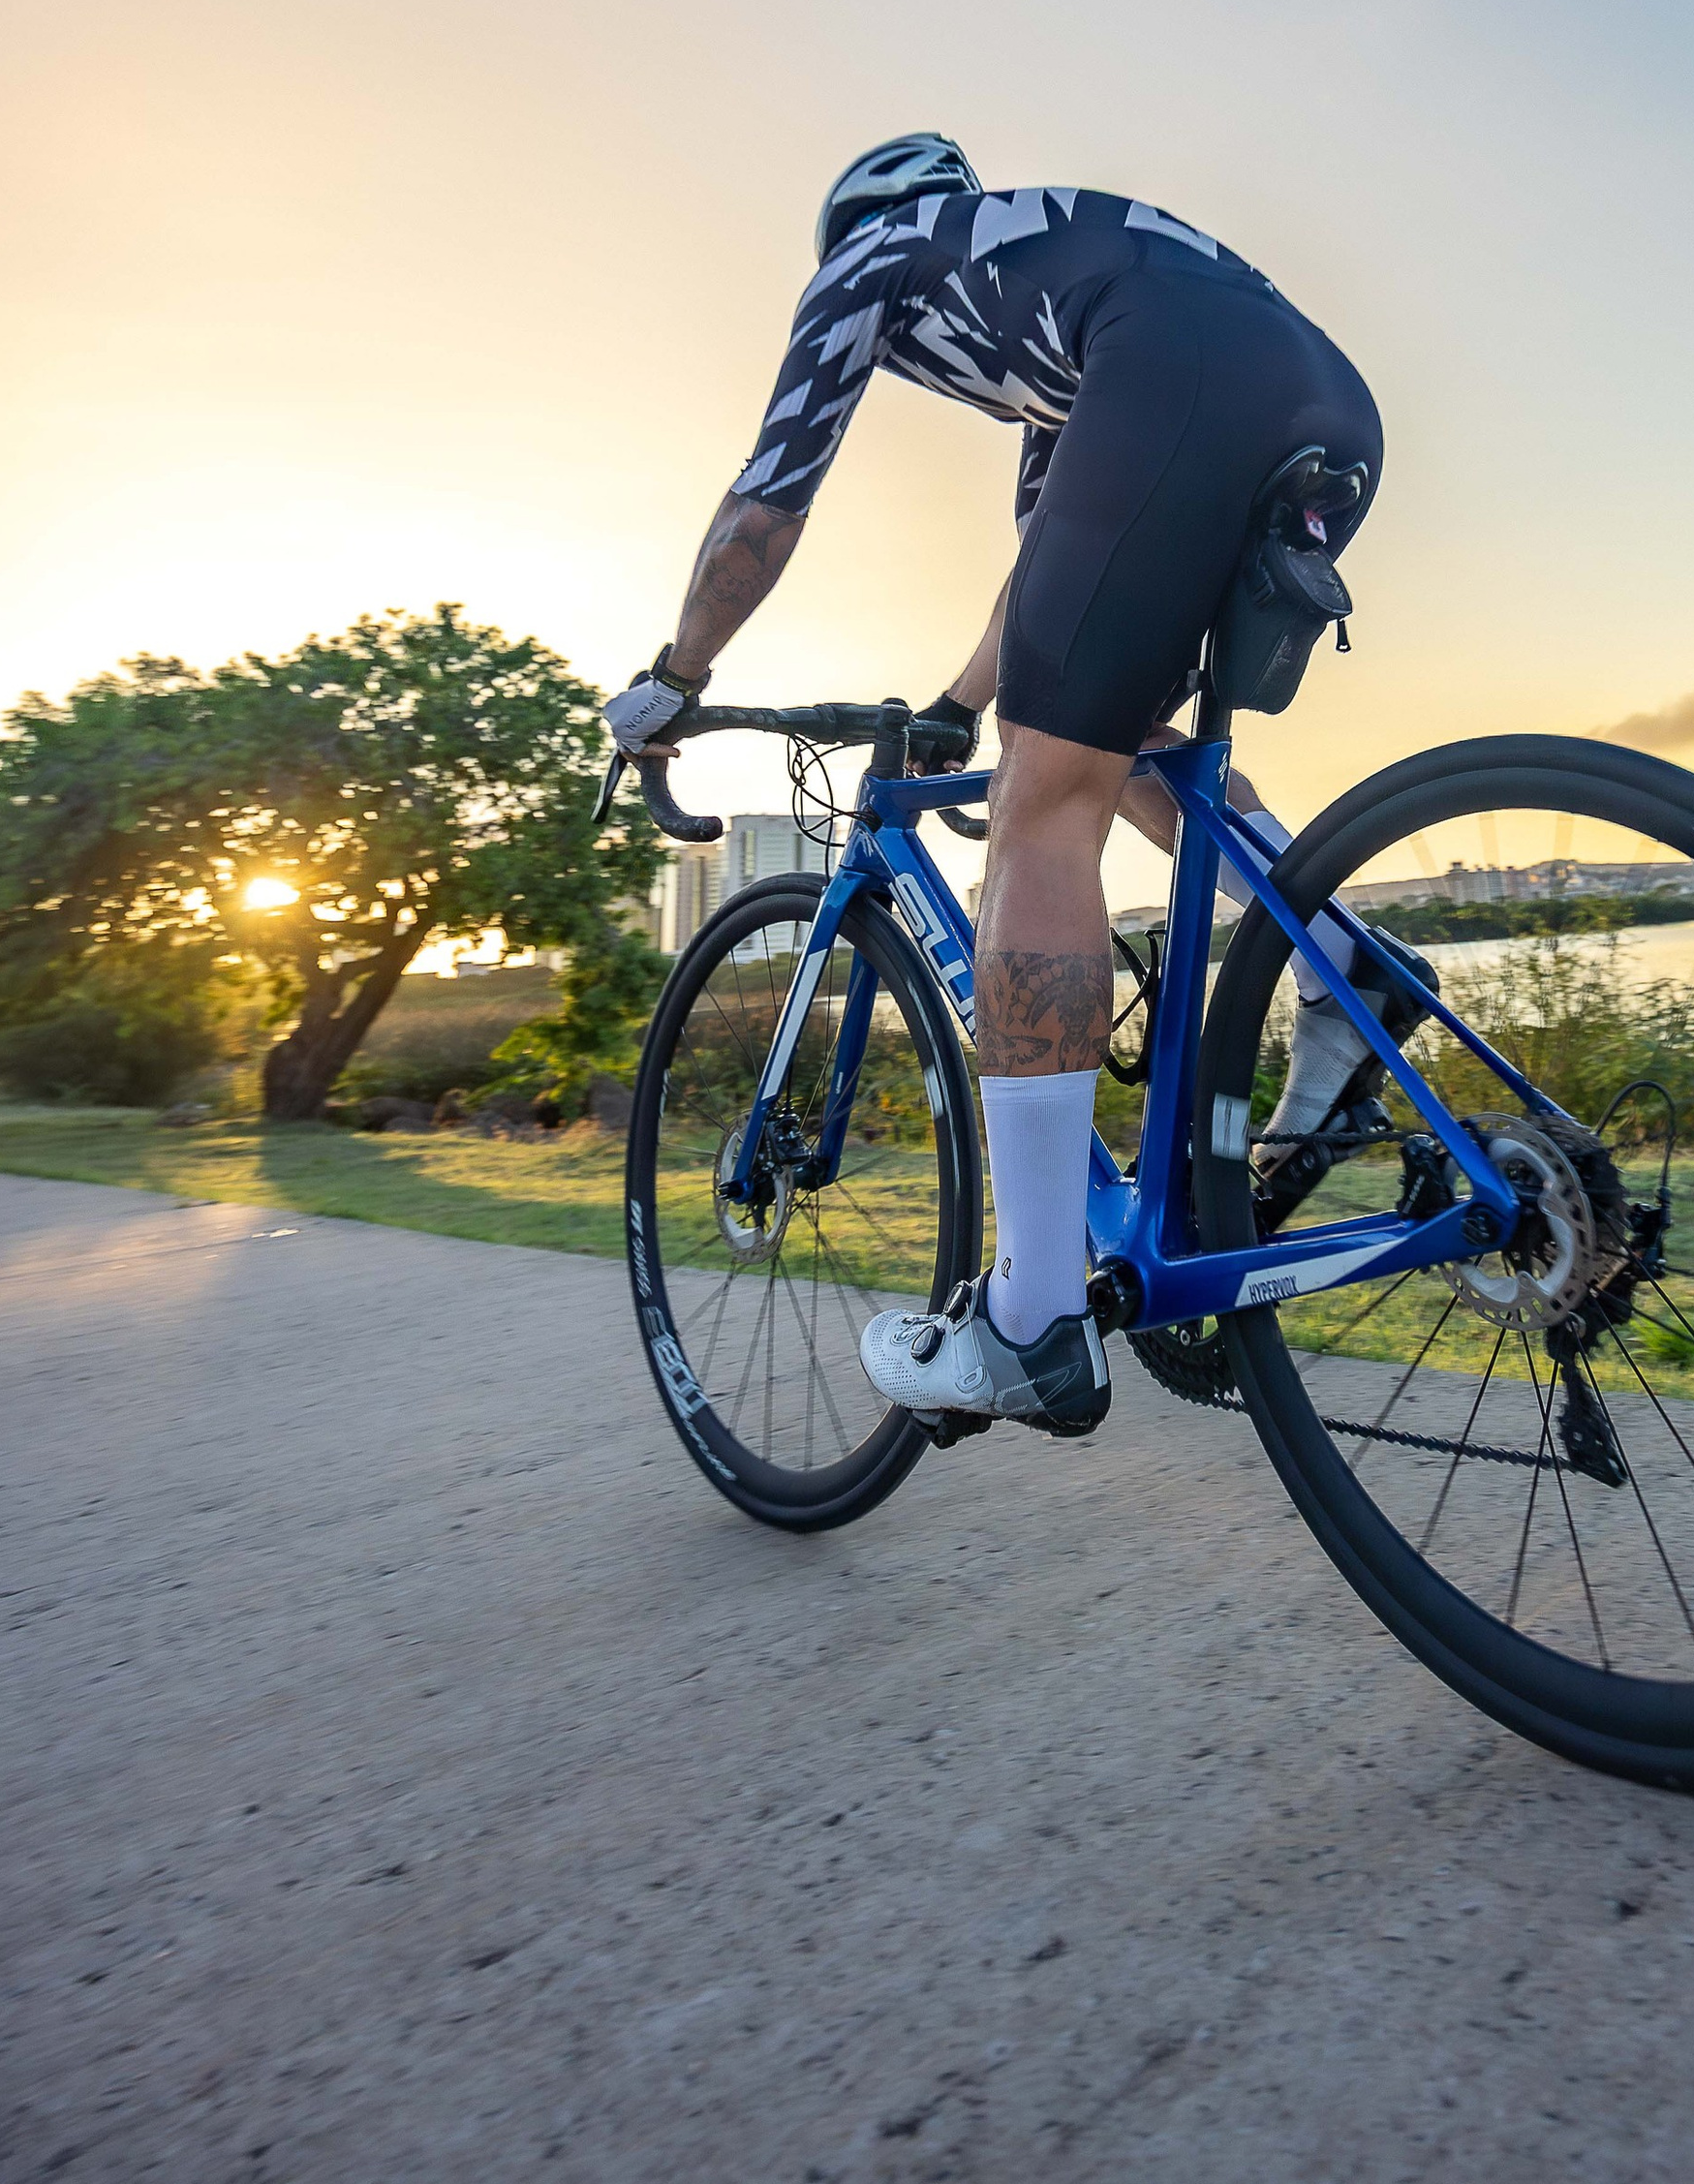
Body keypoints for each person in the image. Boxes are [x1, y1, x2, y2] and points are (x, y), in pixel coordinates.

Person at [604, 133, 1427, 1439]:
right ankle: (1345, 961)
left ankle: (1033, 1318)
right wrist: (953, 708)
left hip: (1178, 386)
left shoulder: (876, 255)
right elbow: (1058, 567)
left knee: (1040, 814)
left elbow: (770, 497)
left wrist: (676, 678)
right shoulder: (1051, 297)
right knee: (1123, 737)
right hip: (1326, 399)